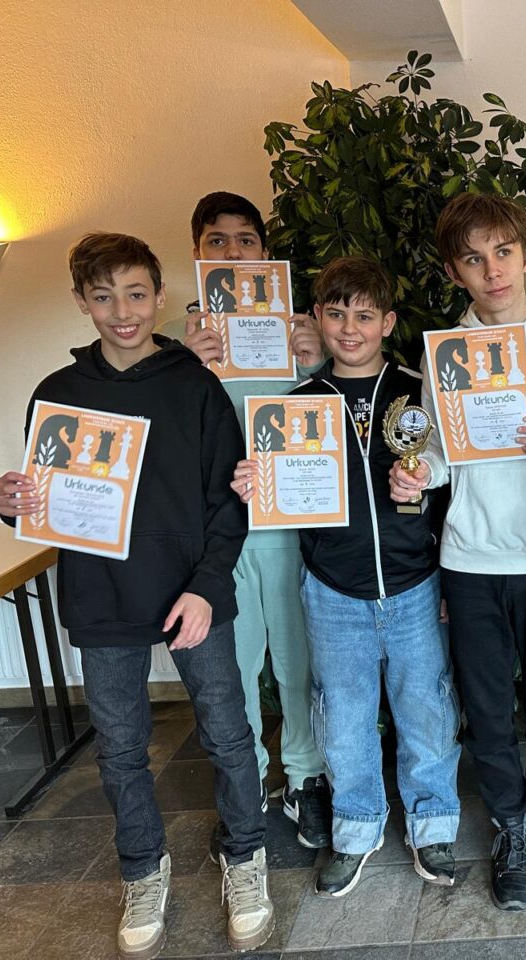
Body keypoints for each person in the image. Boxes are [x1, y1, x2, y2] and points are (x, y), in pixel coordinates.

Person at [0, 233, 274, 957]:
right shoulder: (57, 393)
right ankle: (143, 869)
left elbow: (229, 501)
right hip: (101, 599)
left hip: (193, 596)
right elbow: (48, 502)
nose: (123, 312)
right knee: (120, 749)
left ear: (158, 296)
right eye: (104, 296)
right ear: (81, 302)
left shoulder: (195, 387)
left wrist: (207, 588)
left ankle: (246, 855)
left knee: (228, 734)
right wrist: (14, 503)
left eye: (137, 294)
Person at [232, 256, 462, 897]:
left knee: (426, 708)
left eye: (364, 315)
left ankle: (433, 823)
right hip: (333, 588)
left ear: (388, 321)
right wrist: (254, 483)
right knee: (343, 716)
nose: (350, 328)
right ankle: (356, 827)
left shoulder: (420, 392)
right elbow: (278, 496)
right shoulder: (294, 408)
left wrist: (446, 573)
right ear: (316, 318)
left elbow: (451, 488)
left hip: (416, 583)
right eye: (336, 314)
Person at [403, 193, 526, 912]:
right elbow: (439, 454)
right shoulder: (445, 354)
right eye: (472, 259)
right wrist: (417, 473)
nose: (492, 271)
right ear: (454, 272)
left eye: (503, 252)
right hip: (471, 561)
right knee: (487, 714)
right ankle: (510, 830)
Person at [156, 192, 330, 852]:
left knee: (297, 660)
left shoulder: (295, 326)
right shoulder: (171, 337)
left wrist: (315, 363)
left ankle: (306, 777)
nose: (233, 251)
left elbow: (331, 418)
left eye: (246, 240)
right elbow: (154, 438)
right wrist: (181, 366)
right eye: (217, 240)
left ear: (265, 249)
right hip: (217, 533)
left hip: (288, 523)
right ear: (197, 251)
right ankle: (248, 778)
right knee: (234, 665)